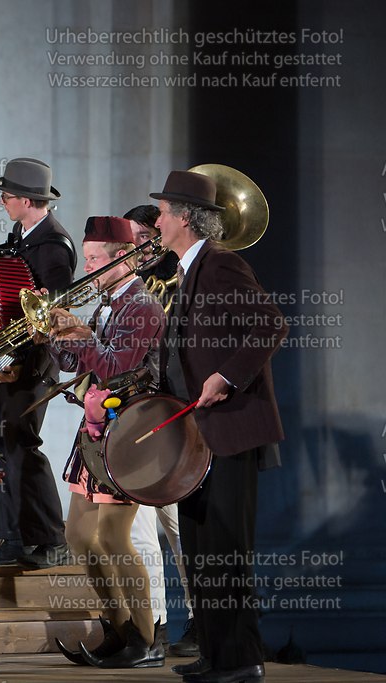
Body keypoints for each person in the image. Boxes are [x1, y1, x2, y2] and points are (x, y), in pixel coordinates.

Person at [151, 170, 287, 683]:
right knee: (202, 552)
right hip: (198, 439)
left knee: (227, 551)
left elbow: (270, 324)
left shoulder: (222, 264)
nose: (157, 222)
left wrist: (227, 376)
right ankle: (215, 654)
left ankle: (242, 661)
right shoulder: (187, 271)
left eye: (162, 212)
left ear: (185, 218)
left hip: (230, 432)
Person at [41, 216, 166, 669]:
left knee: (113, 537)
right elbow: (77, 363)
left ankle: (146, 638)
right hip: (97, 431)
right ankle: (117, 627)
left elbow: (117, 366)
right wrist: (53, 335)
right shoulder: (106, 305)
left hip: (129, 431)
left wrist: (81, 334)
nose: (88, 267)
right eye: (88, 258)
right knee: (78, 535)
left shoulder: (143, 306)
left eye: (95, 259)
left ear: (123, 257)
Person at [0, 159, 76, 569]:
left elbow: (52, 313)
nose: (1, 202)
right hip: (9, 358)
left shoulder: (54, 245)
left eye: (6, 196)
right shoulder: (21, 235)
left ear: (27, 200)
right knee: (1, 443)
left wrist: (15, 359)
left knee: (22, 443)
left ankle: (51, 539)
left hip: (32, 362)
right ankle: (16, 534)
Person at [124, 202, 195, 656]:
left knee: (180, 529)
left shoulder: (179, 281)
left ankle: (205, 622)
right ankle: (155, 627)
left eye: (140, 238)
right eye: (128, 239)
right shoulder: (126, 284)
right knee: (140, 531)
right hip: (133, 418)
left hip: (170, 417)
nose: (133, 247)